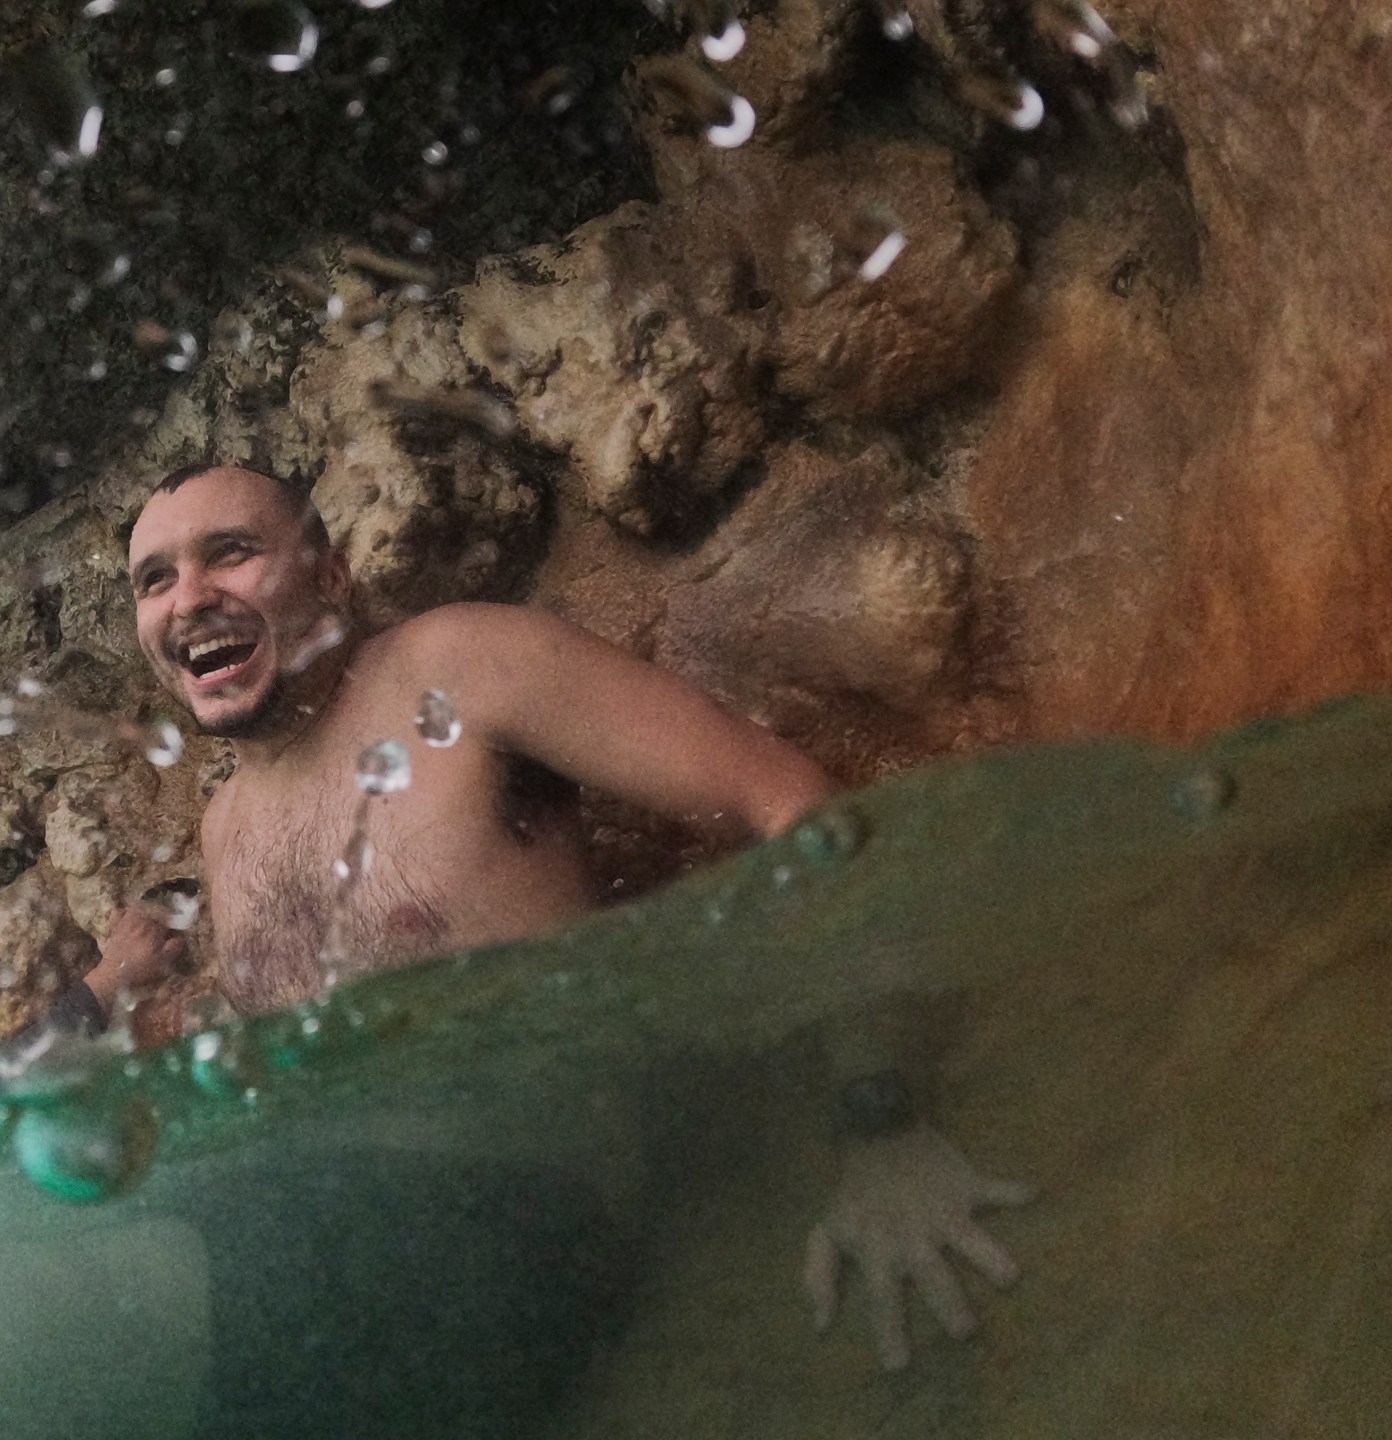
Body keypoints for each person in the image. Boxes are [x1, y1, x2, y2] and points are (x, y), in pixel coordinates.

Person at [69, 461, 1030, 1375]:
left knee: (45, 1311)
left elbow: (789, 804)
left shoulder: (460, 669)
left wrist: (879, 1118)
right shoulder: (227, 827)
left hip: (530, 1224)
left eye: (230, 553)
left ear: (331, 576)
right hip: (330, 1246)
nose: (188, 597)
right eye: (156, 579)